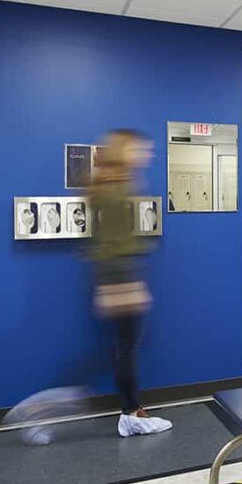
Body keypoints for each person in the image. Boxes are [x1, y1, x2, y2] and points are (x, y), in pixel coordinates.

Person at [87, 129, 172, 437]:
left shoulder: (111, 183)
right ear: (124, 151)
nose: (145, 155)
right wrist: (128, 283)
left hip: (116, 273)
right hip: (120, 273)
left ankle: (131, 409)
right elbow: (114, 241)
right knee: (127, 347)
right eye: (140, 150)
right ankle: (130, 412)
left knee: (125, 346)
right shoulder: (116, 188)